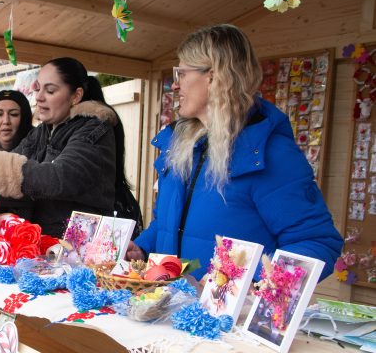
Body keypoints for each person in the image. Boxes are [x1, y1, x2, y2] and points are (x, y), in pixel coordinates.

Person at [127, 24, 342, 280]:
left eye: (182, 74)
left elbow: (316, 243)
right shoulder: (180, 146)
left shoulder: (269, 152)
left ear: (214, 76)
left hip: (231, 307)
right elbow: (169, 225)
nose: (175, 85)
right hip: (168, 302)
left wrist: (247, 287)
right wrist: (142, 247)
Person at [0, 58, 140, 237]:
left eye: (50, 91)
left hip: (80, 247)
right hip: (43, 244)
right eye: (37, 89)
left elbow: (59, 178)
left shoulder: (95, 128)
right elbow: (12, 182)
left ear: (76, 96)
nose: (38, 97)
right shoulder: (41, 132)